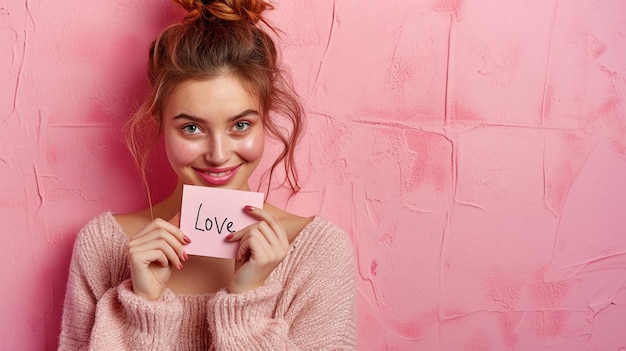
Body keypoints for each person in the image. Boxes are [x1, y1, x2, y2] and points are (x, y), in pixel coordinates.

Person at [58, 0, 357, 349]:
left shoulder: (317, 254)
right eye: (191, 128)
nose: (218, 155)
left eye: (240, 125)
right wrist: (145, 310)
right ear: (160, 125)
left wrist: (245, 305)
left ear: (265, 121)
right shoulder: (104, 247)